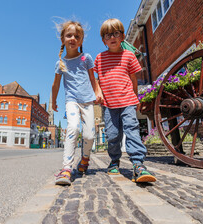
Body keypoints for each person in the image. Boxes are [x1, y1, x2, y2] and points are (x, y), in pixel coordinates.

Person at [94, 18, 156, 183]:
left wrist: (136, 98)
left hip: (128, 101)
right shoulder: (99, 58)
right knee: (113, 135)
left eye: (116, 33)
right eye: (108, 35)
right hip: (108, 105)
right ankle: (114, 160)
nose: (112, 37)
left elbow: (133, 79)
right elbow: (98, 80)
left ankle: (138, 164)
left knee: (132, 130)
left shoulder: (129, 56)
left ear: (122, 36)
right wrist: (98, 94)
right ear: (103, 40)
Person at [52, 20, 103, 185]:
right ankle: (66, 168)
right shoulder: (61, 63)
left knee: (89, 135)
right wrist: (53, 102)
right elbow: (56, 84)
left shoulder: (86, 58)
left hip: (88, 102)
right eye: (69, 35)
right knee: (73, 128)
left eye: (77, 36)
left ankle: (85, 158)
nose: (73, 38)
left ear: (81, 41)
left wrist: (98, 92)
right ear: (63, 39)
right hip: (71, 101)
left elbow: (92, 78)